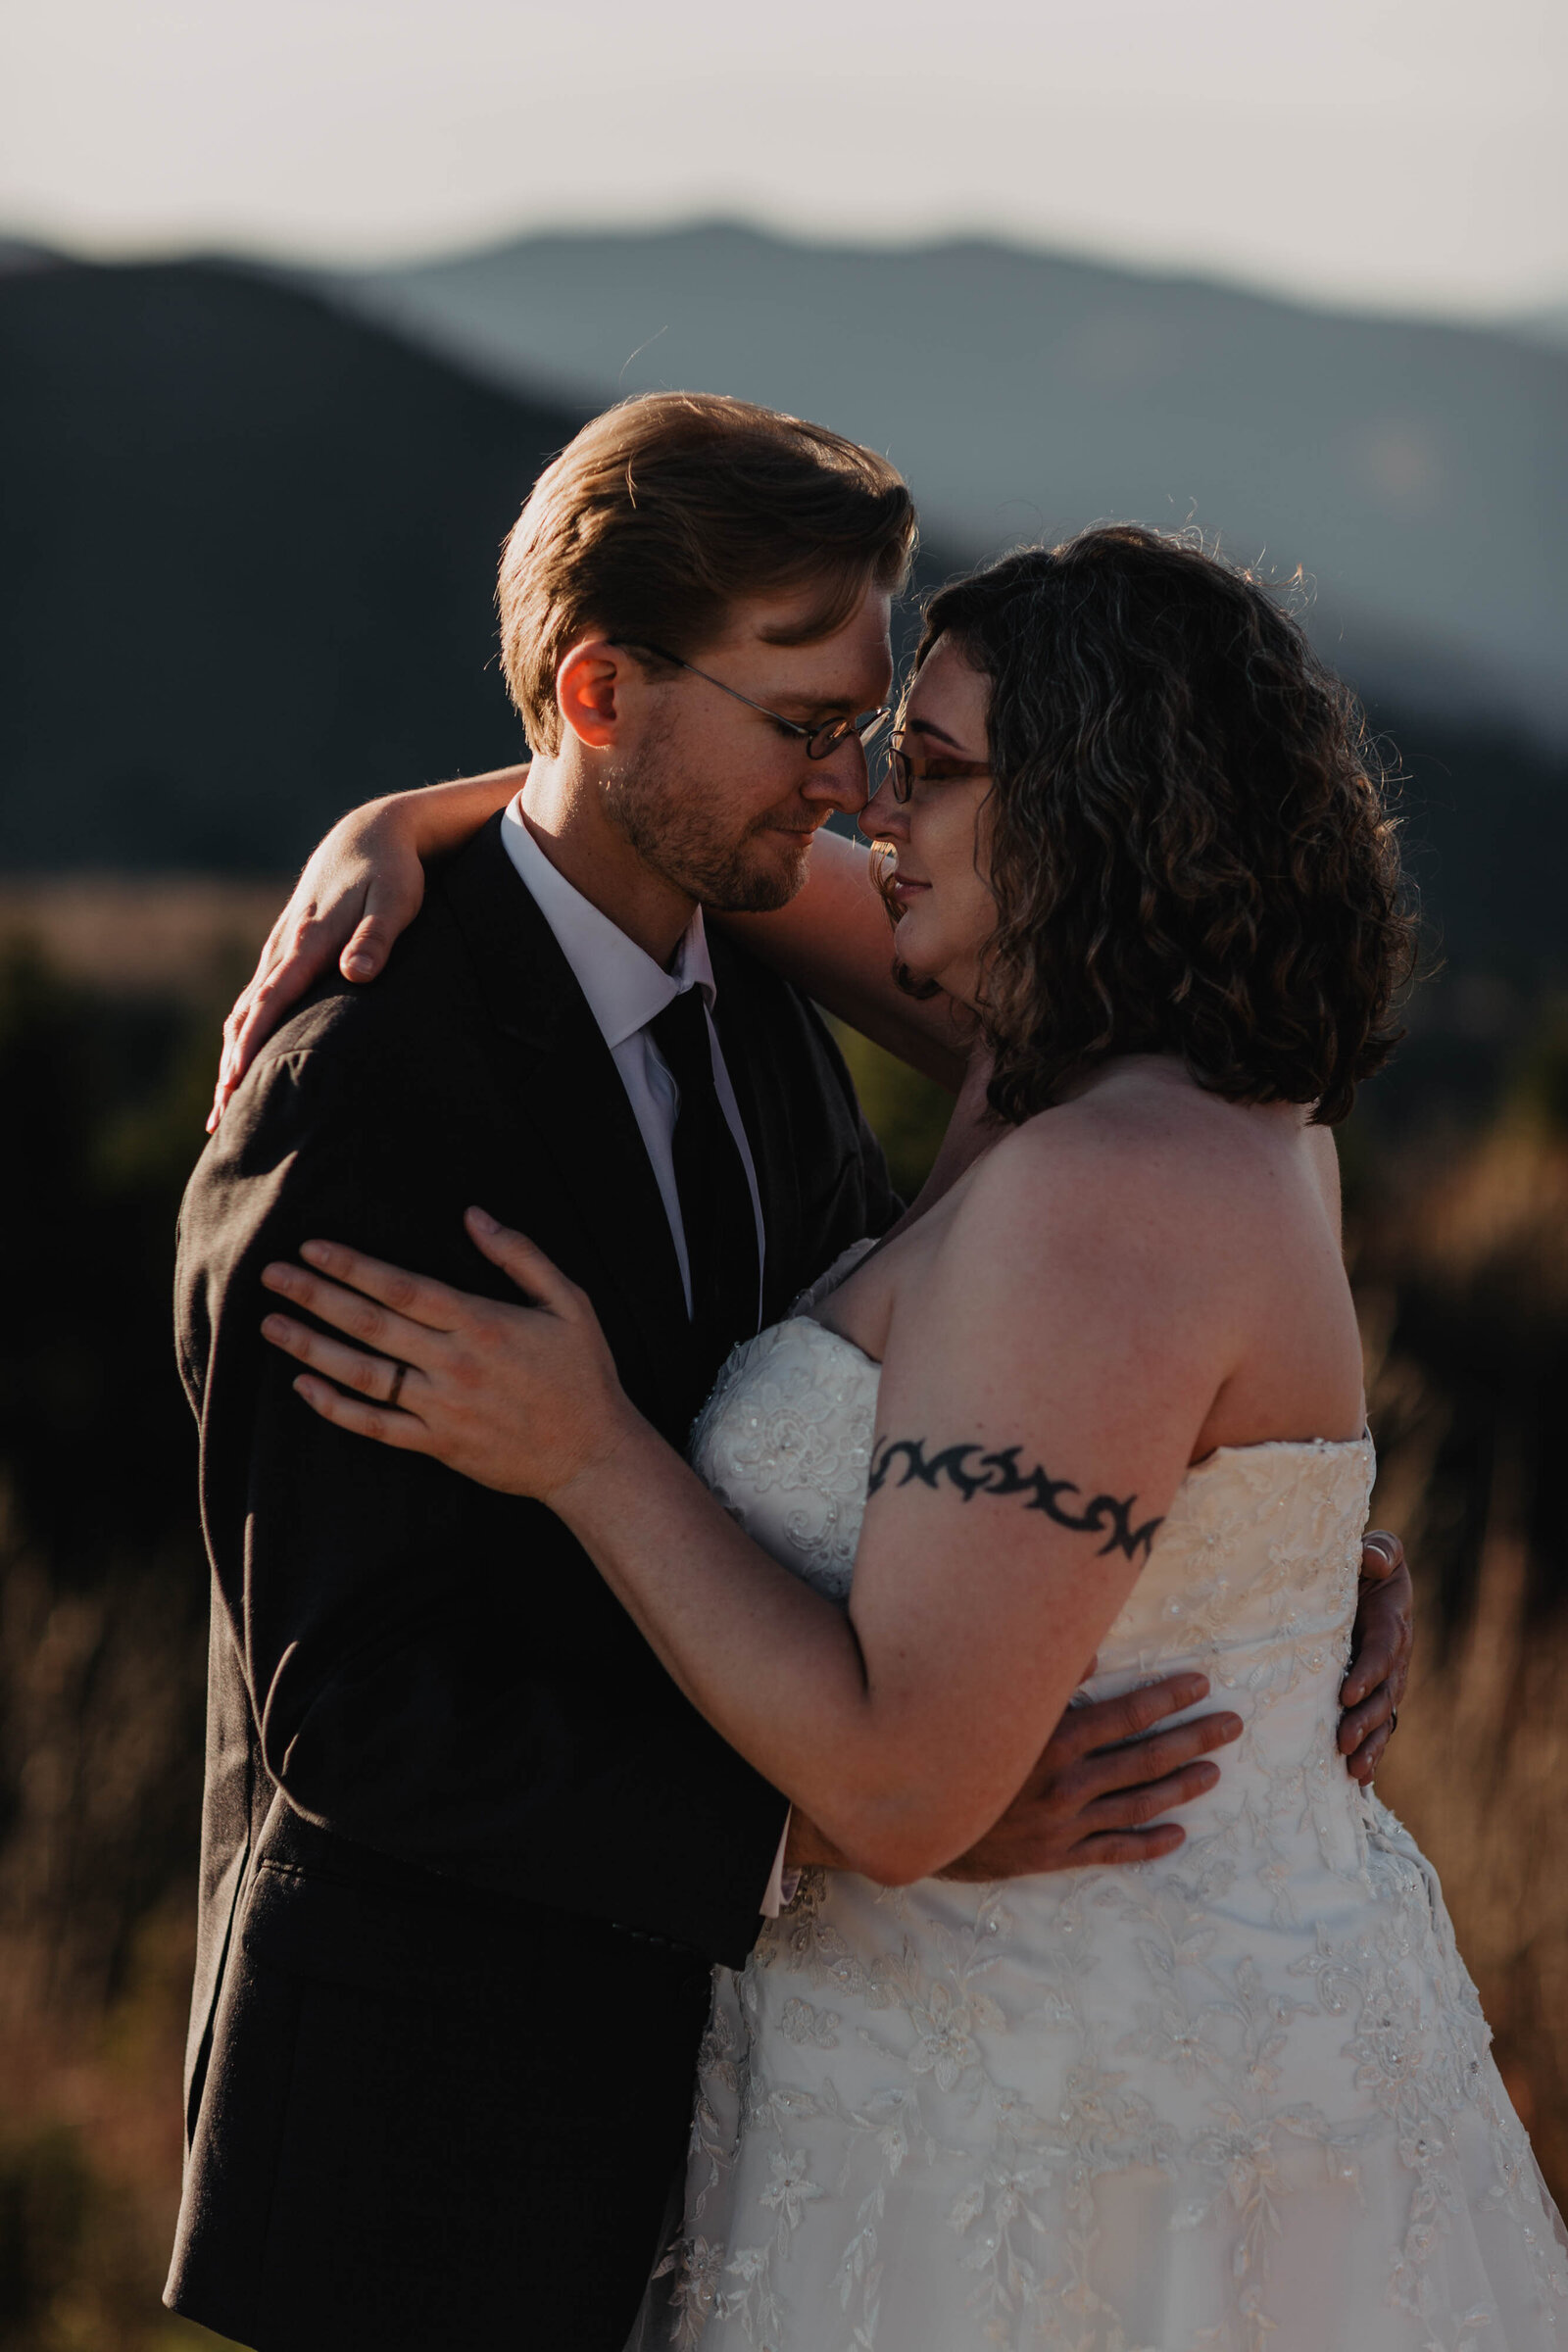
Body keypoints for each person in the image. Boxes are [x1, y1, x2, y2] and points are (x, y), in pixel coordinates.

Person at [172, 399, 1415, 2352]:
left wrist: (1228, 1553)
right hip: (443, 2157)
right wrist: (832, 1832)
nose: (847, 794)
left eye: (882, 740)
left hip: (811, 2107)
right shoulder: (364, 1092)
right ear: (598, 690)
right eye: (809, 729)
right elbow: (360, 1708)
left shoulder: (773, 982)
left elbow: (1039, 1349)